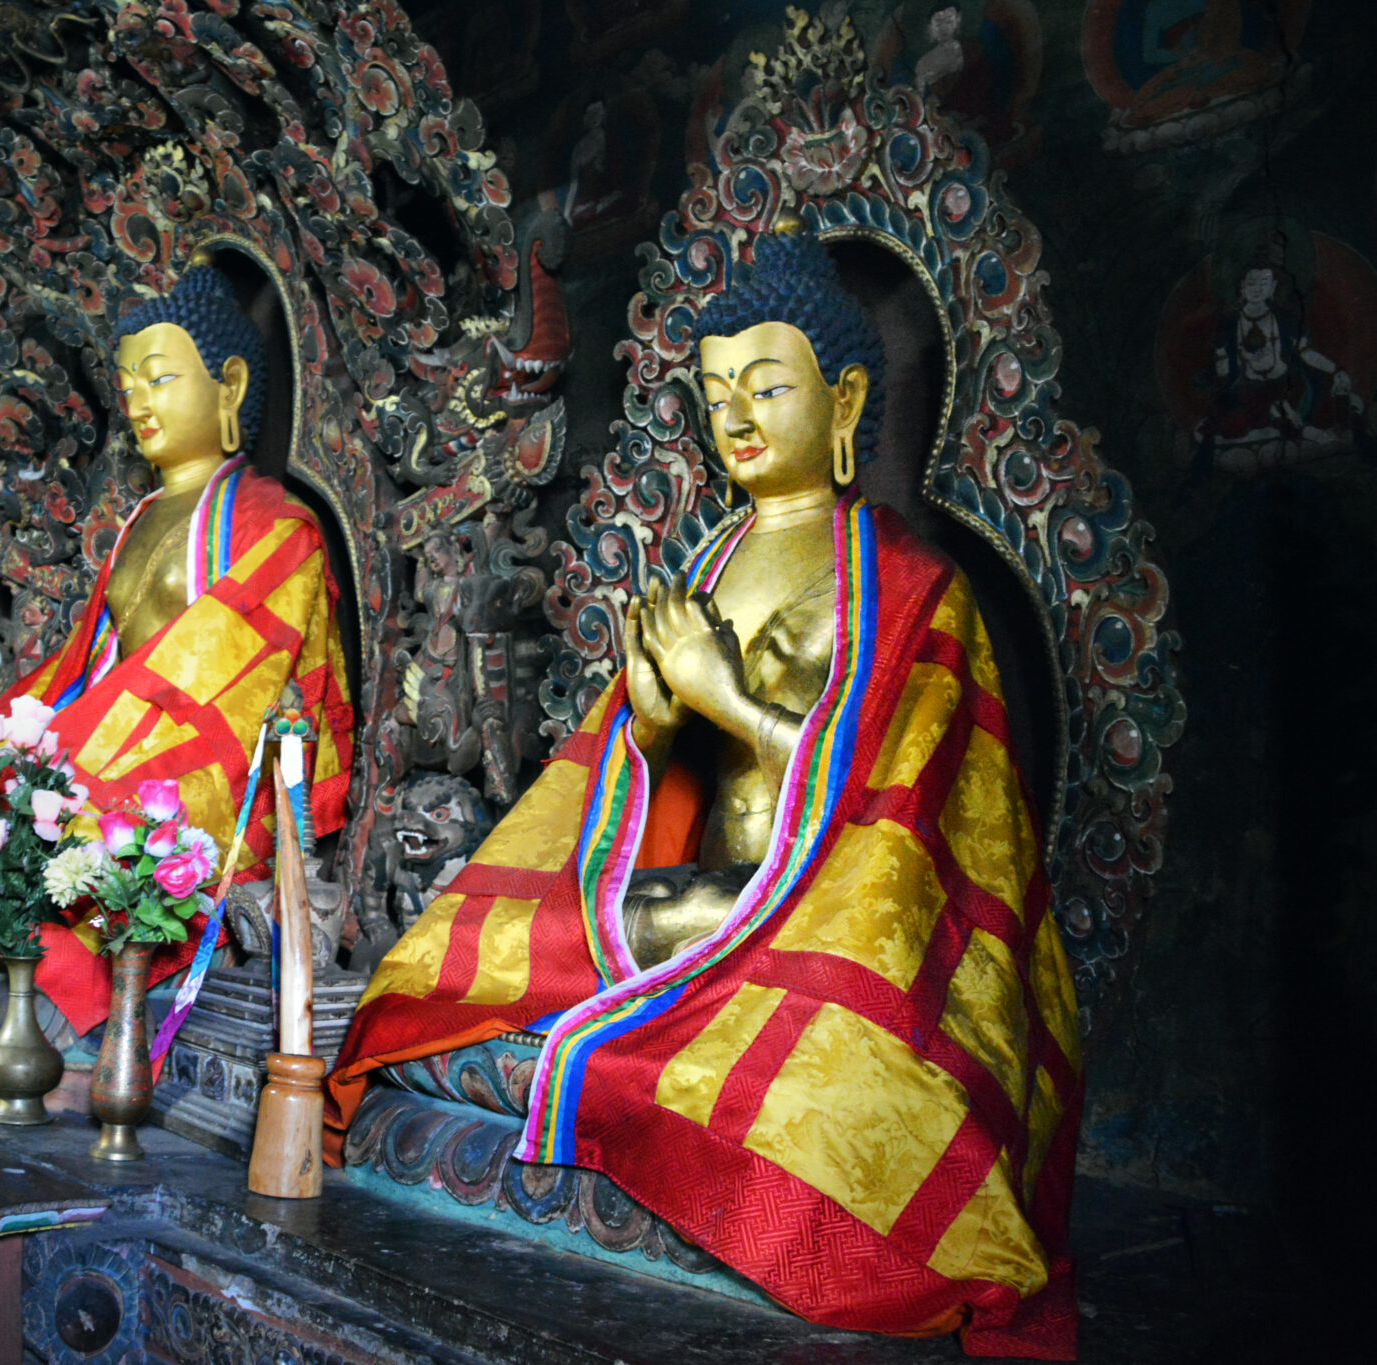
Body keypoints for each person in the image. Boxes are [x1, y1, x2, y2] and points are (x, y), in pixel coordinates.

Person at [330, 220, 1081, 1356]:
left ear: (841, 405)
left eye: (765, 386)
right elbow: (640, 799)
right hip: (683, 903)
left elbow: (895, 825)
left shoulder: (917, 589)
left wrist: (722, 697)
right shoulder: (705, 566)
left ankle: (632, 1097)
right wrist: (650, 719)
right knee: (443, 975)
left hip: (824, 922)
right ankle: (613, 1076)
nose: (732, 414)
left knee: (831, 1109)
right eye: (715, 389)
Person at [0, 264, 355, 1036]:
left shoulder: (277, 527)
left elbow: (222, 687)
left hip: (204, 774)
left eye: (159, 379)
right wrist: (7, 741)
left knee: (72, 840)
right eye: (128, 385)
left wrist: (78, 764)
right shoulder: (141, 520)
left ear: (228, 386)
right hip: (114, 748)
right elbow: (83, 666)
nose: (138, 402)